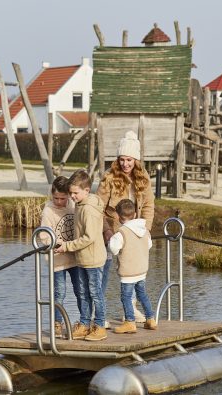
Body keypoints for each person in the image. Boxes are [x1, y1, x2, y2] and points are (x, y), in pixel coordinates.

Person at [96, 130, 155, 323]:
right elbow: (98, 207)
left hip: (135, 233)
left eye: (129, 160)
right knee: (103, 274)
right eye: (122, 159)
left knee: (134, 273)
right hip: (113, 233)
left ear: (136, 160)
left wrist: (146, 231)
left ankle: (131, 311)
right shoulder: (109, 178)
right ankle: (99, 314)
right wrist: (106, 230)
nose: (125, 164)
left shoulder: (143, 178)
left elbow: (148, 205)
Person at [55, 169, 107, 341]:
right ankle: (84, 324)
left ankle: (99, 325)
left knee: (95, 293)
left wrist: (67, 246)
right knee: (83, 293)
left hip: (93, 258)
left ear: (86, 190)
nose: (72, 196)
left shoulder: (88, 210)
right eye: (70, 193)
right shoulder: (79, 205)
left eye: (75, 193)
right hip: (83, 259)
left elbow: (89, 237)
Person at [39, 175, 79, 338]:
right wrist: (56, 244)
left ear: (68, 196)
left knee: (80, 290)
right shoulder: (48, 210)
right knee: (59, 292)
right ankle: (57, 323)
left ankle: (84, 322)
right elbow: (44, 235)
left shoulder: (74, 204)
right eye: (56, 198)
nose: (59, 202)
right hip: (57, 259)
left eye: (63, 198)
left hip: (75, 257)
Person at [109, 199, 157, 333]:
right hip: (142, 270)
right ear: (135, 214)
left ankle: (130, 321)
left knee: (126, 297)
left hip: (128, 273)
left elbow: (113, 249)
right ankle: (150, 319)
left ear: (118, 217)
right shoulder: (145, 230)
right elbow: (149, 245)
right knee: (142, 295)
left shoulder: (121, 233)